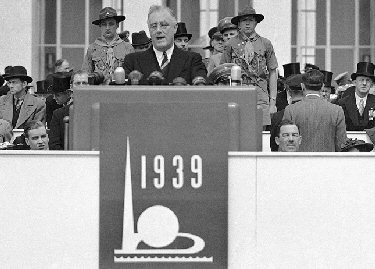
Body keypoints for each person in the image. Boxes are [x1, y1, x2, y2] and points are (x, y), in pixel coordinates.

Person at [221, 6, 278, 127]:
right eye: (243, 20)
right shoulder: (230, 44)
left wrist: (273, 102)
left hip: (260, 92)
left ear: (256, 22)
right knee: (236, 128)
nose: (247, 23)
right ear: (239, 24)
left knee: (261, 132)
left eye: (251, 20)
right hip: (237, 92)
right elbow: (223, 72)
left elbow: (273, 72)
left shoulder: (265, 43)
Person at [123, 5, 207, 85]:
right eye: (153, 26)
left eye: (164, 25)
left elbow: (202, 91)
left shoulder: (193, 60)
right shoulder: (132, 61)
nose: (158, 30)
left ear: (175, 28)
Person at [283, 69, 347, 151]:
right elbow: (341, 144)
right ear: (322, 87)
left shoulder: (291, 110)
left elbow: (285, 144)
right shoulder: (337, 110)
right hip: (328, 162)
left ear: (302, 86)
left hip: (299, 162)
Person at [82, 7, 134, 84]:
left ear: (117, 25)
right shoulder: (93, 48)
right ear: (100, 26)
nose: (107, 28)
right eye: (104, 24)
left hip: (121, 90)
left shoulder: (127, 47)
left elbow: (133, 76)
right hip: (98, 91)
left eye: (111, 24)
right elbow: (85, 74)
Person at [49, 70, 89, 150]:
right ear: (71, 87)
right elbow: (54, 145)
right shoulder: (58, 114)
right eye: (77, 83)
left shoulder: (99, 111)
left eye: (84, 83)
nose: (81, 86)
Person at [270, 69, 303, 151]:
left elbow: (273, 146)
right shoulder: (318, 113)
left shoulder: (278, 116)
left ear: (289, 90)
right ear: (304, 89)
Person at [338, 62, 375, 131]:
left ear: (371, 84)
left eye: (368, 81)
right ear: (354, 82)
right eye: (361, 80)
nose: (364, 83)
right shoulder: (342, 103)